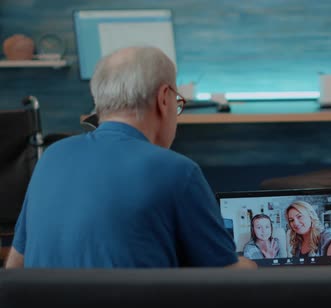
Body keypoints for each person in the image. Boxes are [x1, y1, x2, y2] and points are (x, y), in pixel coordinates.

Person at [5, 46, 255, 269]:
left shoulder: (51, 157)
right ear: (163, 98)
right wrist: (252, 265)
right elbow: (227, 279)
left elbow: (16, 263)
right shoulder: (178, 171)